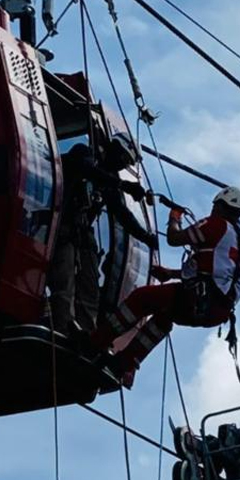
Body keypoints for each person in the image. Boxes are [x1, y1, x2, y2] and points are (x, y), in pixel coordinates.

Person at [92, 186, 240, 379]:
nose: (212, 210)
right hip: (216, 311)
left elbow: (174, 239)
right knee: (164, 317)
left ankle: (95, 342)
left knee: (142, 298)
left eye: (215, 206)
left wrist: (174, 217)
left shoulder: (216, 225)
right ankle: (123, 365)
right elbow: (214, 273)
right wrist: (171, 273)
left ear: (220, 205)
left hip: (199, 298)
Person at [50, 132, 157, 335]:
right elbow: (85, 169)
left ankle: (88, 332)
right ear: (113, 148)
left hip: (81, 234)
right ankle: (63, 326)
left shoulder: (108, 183)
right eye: (123, 158)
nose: (121, 165)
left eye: (126, 163)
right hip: (63, 225)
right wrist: (123, 185)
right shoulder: (84, 155)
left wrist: (146, 237)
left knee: (90, 284)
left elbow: (123, 215)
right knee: (64, 278)